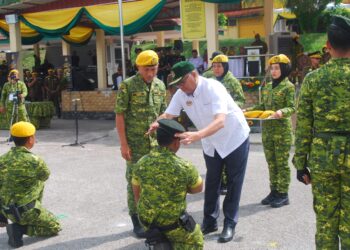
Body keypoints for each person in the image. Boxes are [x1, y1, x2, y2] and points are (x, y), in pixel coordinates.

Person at [148, 61, 250, 243]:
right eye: (177, 84)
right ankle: (210, 221)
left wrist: (197, 135)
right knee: (212, 180)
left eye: (182, 82)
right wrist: (158, 122)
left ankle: (229, 223)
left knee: (234, 182)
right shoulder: (181, 93)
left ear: (193, 75)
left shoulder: (213, 87)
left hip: (234, 138)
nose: (180, 87)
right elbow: (168, 114)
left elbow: (220, 121)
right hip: (211, 141)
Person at [293, 15, 350, 249]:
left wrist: (300, 164)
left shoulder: (313, 80)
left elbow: (303, 125)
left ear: (327, 46)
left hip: (323, 158)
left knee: (326, 221)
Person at [115, 50, 167, 237]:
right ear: (138, 68)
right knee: (134, 181)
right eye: (147, 69)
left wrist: (159, 123)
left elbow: (164, 113)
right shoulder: (128, 86)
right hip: (135, 144)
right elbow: (119, 114)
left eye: (154, 69)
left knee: (154, 181)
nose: (151, 73)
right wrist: (123, 144)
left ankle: (151, 216)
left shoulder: (160, 85)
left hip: (156, 145)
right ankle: (136, 219)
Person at [132, 119, 204, 249]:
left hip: (147, 222)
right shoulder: (185, 167)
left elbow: (136, 191)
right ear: (176, 143)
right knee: (196, 240)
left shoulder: (141, 162)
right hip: (172, 224)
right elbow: (198, 189)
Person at [0, 121, 61, 248]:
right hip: (26, 210)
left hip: (6, 209)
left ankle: (5, 217)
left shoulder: (2, 159)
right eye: (34, 136)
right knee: (55, 227)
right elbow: (45, 176)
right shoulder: (34, 160)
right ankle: (21, 229)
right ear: (30, 140)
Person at [245, 54, 295, 208]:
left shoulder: (288, 87)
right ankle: (273, 191)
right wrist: (247, 110)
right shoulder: (266, 87)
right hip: (267, 131)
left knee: (281, 164)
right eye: (271, 68)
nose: (273, 71)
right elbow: (262, 107)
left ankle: (283, 194)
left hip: (282, 132)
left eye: (277, 68)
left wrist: (281, 112)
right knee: (271, 163)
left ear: (284, 69)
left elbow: (292, 107)